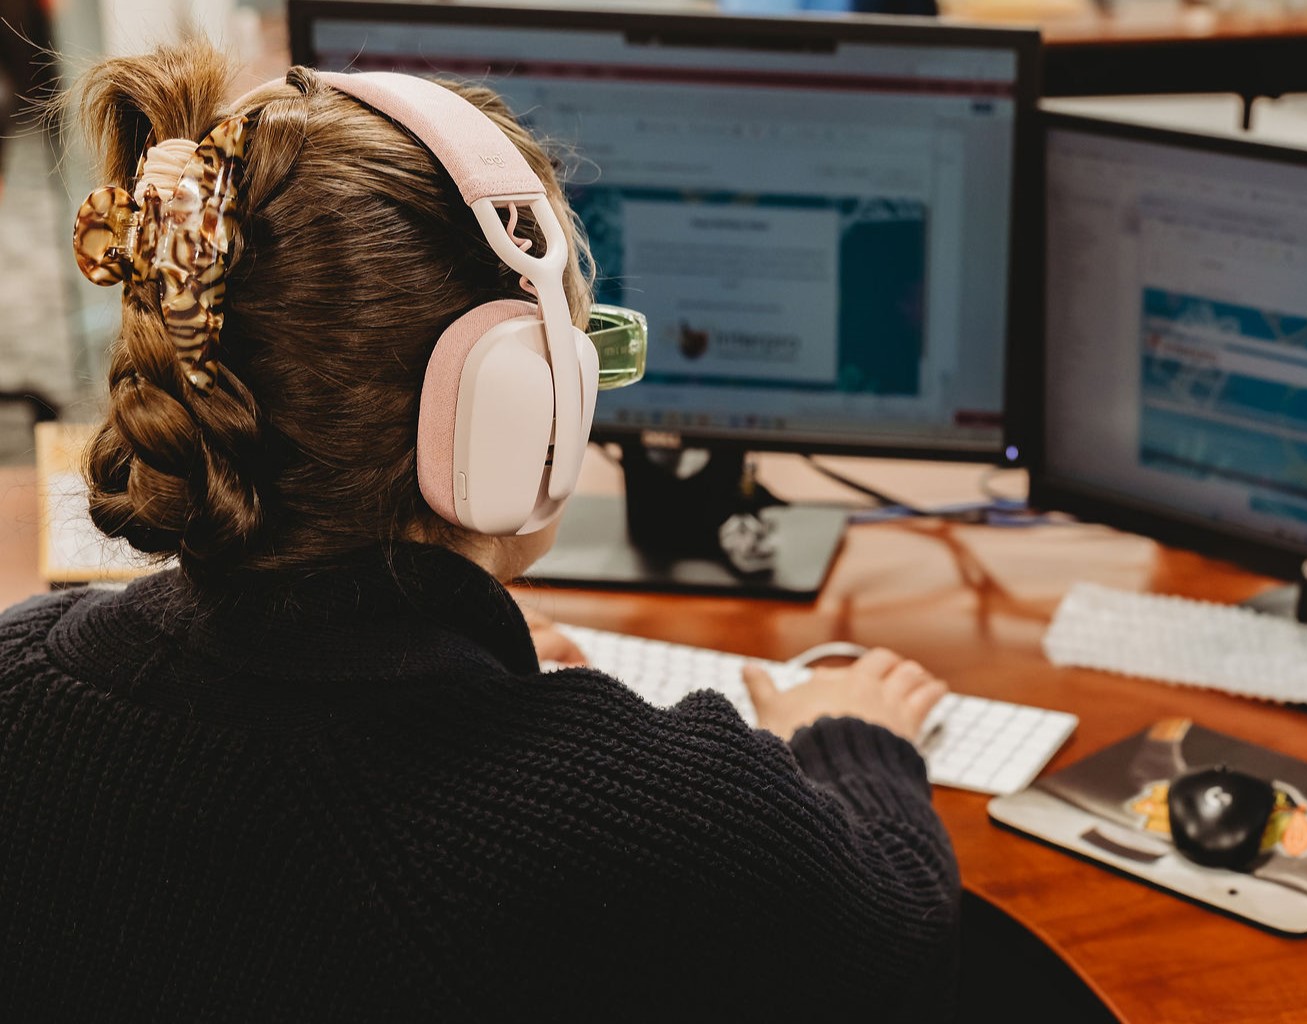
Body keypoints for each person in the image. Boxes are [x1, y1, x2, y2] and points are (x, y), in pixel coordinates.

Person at [0, 40, 959, 1021]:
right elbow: (894, 918)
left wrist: (476, 670)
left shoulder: (18, 675)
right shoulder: (627, 811)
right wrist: (855, 738)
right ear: (520, 403)